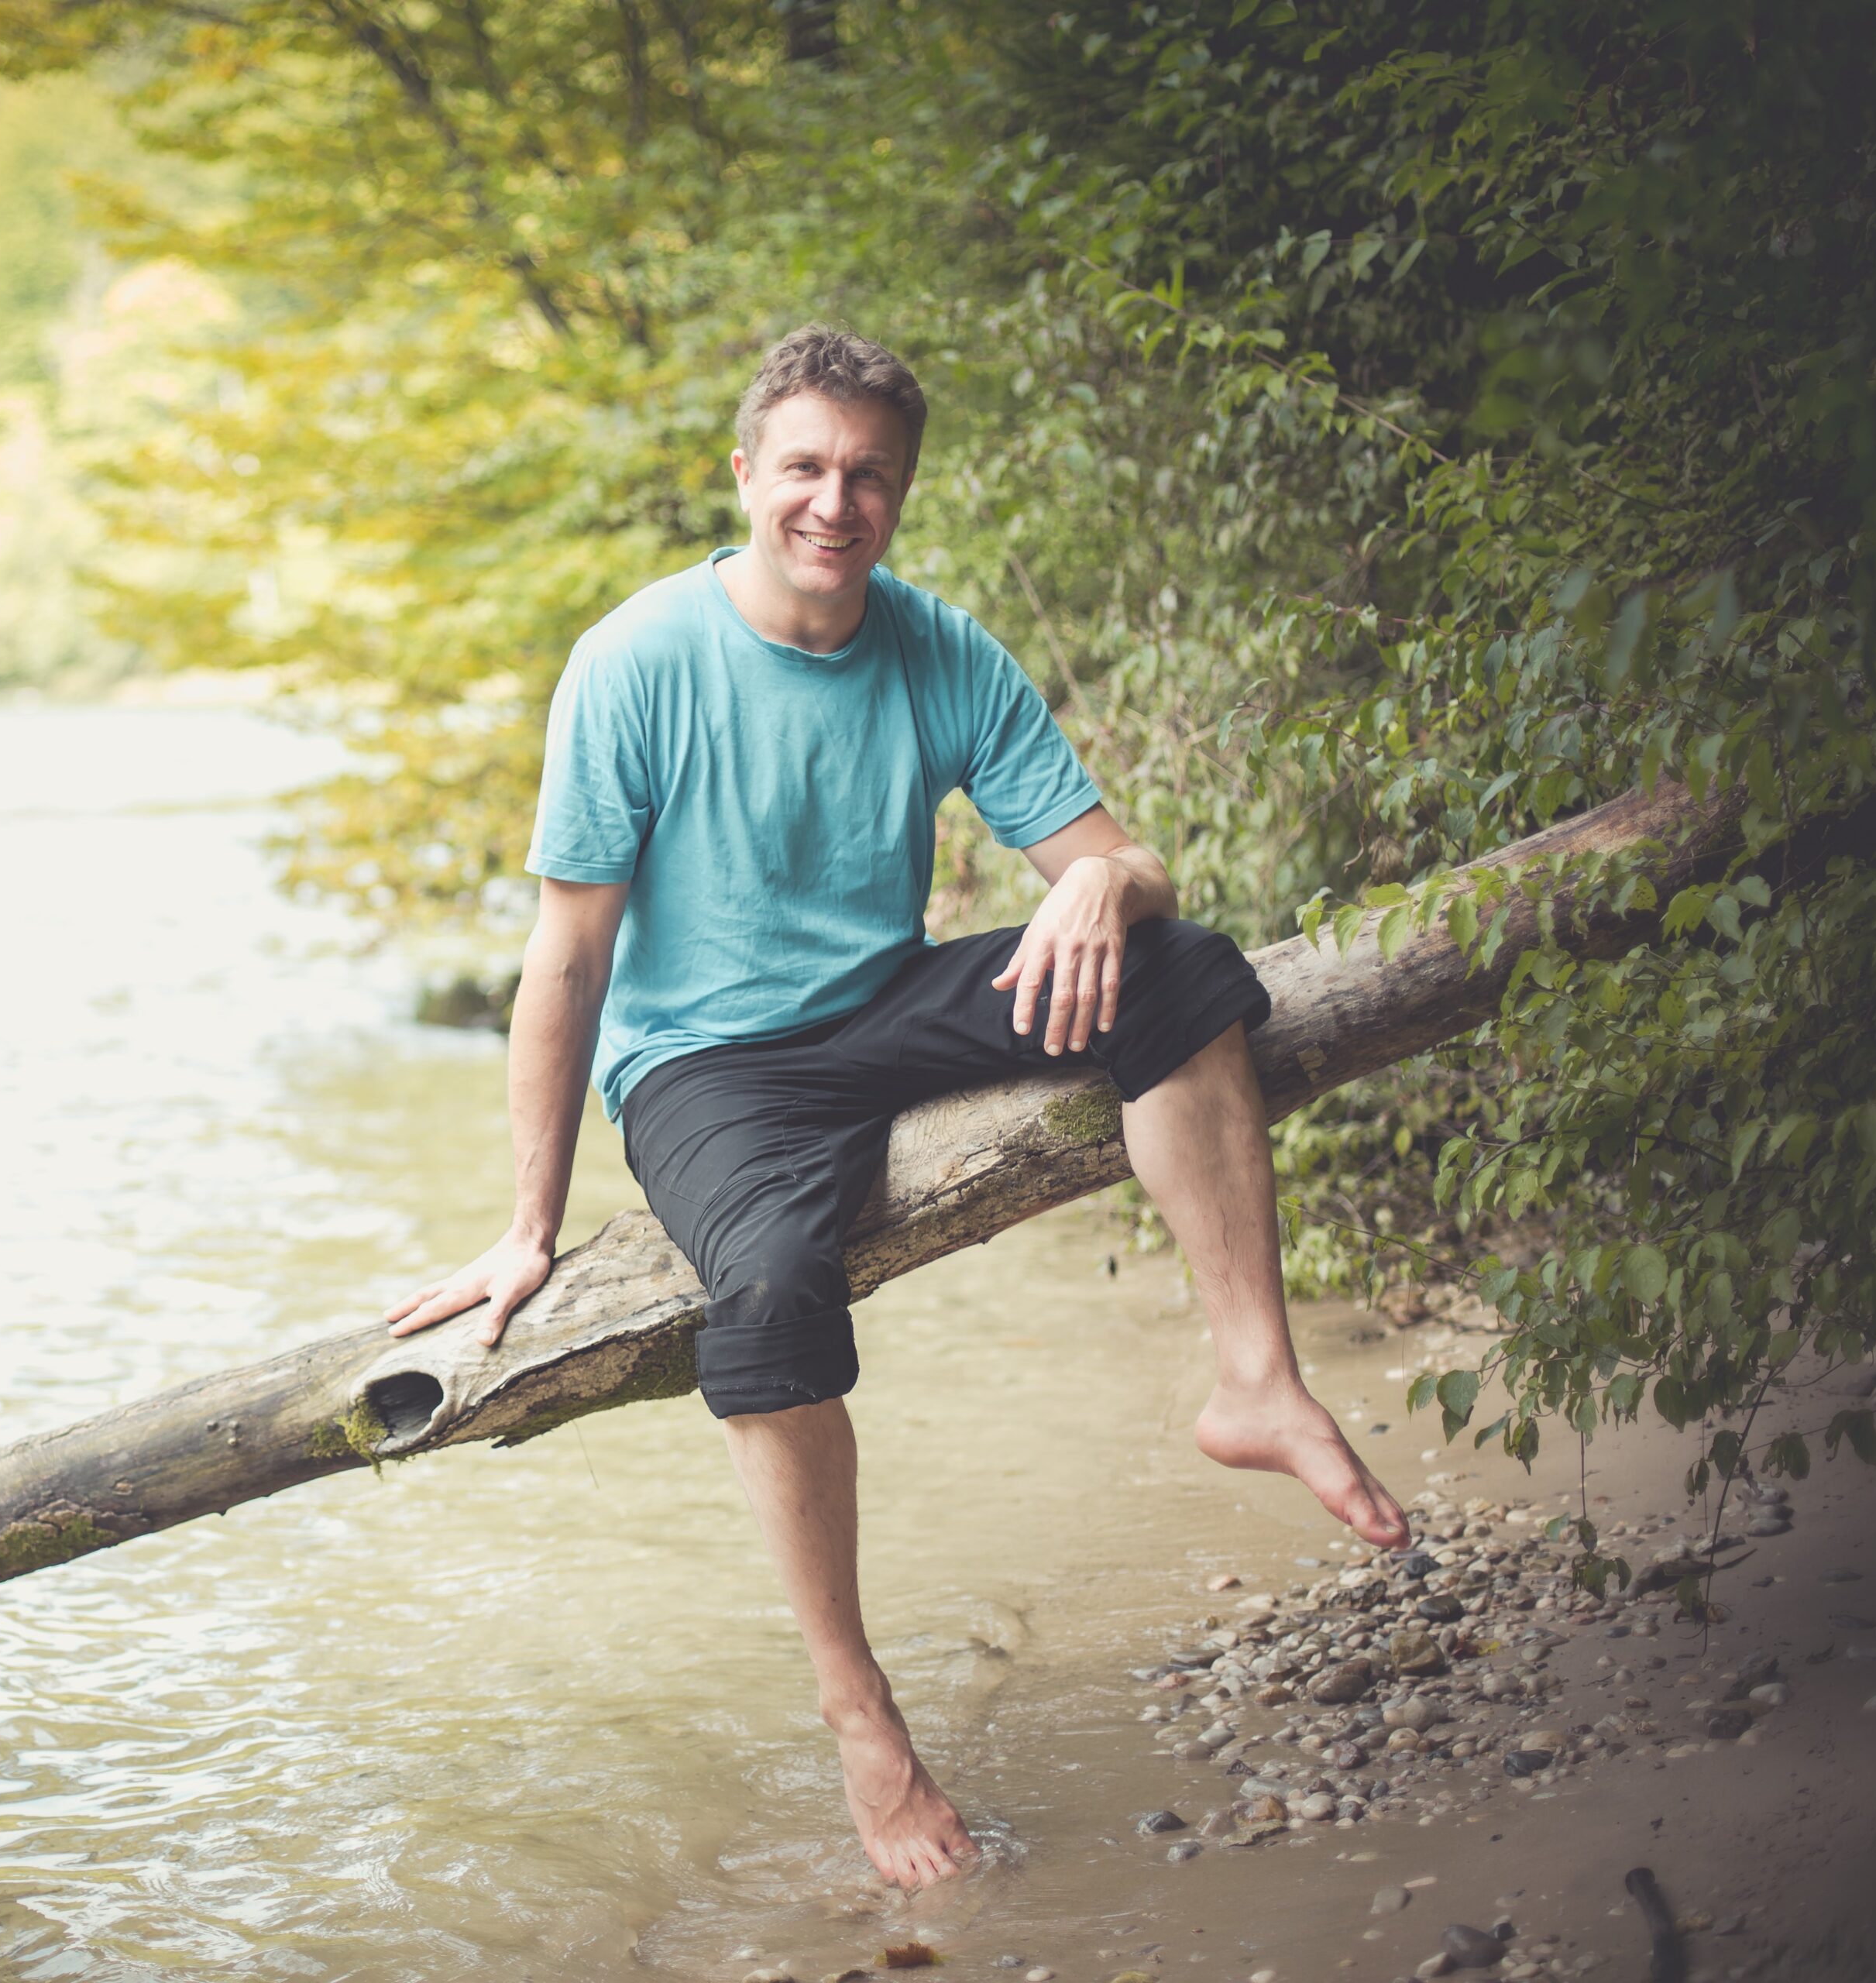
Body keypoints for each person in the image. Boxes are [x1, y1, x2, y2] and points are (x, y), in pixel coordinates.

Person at [384, 325, 1410, 1890]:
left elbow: (1123, 855)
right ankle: (859, 1710)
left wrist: (1103, 893)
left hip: (881, 999)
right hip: (703, 1060)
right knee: (772, 1293)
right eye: (802, 465)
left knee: (1179, 964)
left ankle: (1252, 1381)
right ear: (745, 475)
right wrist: (526, 1224)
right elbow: (570, 953)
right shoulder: (635, 660)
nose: (832, 499)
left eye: (867, 473)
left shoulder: (939, 648)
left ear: (900, 494)